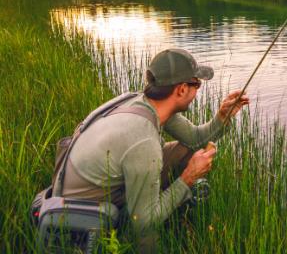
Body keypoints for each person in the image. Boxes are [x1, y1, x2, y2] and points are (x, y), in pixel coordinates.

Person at [60, 48, 249, 251]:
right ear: (182, 89)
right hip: (87, 213)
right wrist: (188, 178)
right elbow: (142, 222)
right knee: (147, 225)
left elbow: (195, 140)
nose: (198, 91)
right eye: (197, 84)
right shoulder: (143, 142)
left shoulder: (143, 102)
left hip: (97, 185)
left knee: (186, 150)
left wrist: (223, 117)